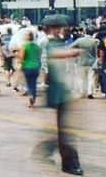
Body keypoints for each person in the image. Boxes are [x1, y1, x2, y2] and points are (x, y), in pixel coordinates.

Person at [37, 17, 83, 176]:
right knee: (65, 129)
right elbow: (51, 56)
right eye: (57, 27)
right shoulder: (46, 42)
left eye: (61, 27)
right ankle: (69, 163)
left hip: (64, 89)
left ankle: (48, 148)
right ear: (50, 28)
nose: (60, 30)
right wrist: (72, 52)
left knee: (64, 128)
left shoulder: (60, 41)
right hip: (57, 90)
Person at [17, 29, 42, 108]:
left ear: (27, 38)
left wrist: (19, 61)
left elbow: (21, 57)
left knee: (29, 83)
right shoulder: (37, 47)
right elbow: (39, 56)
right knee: (34, 83)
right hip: (36, 66)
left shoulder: (24, 46)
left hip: (27, 66)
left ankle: (30, 95)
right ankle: (33, 99)